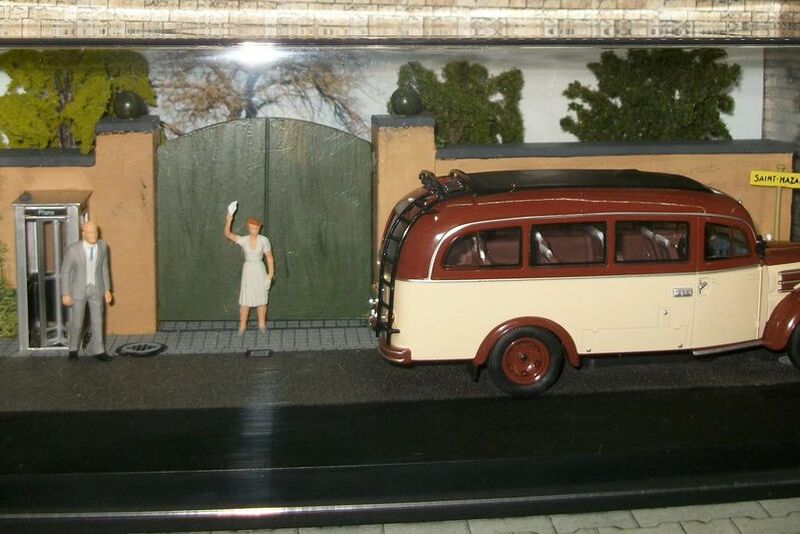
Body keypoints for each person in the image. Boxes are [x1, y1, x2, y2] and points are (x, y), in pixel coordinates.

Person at [61, 220, 113, 361]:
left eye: (95, 232)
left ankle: (99, 350)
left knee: (98, 321)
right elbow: (66, 272)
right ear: (83, 233)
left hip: (96, 289)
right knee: (77, 322)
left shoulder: (102, 247)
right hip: (79, 290)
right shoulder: (74, 250)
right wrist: (65, 293)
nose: (93, 235)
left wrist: (107, 289)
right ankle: (73, 348)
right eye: (90, 232)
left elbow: (104, 269)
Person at [224, 212, 275, 333]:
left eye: (256, 228)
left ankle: (262, 324)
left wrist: (270, 274)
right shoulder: (244, 240)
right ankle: (242, 325)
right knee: (245, 299)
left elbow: (269, 258)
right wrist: (229, 220)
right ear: (248, 228)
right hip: (248, 270)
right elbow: (228, 234)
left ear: (259, 228)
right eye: (252, 228)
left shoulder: (264, 240)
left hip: (259, 270)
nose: (254, 231)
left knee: (262, 299)